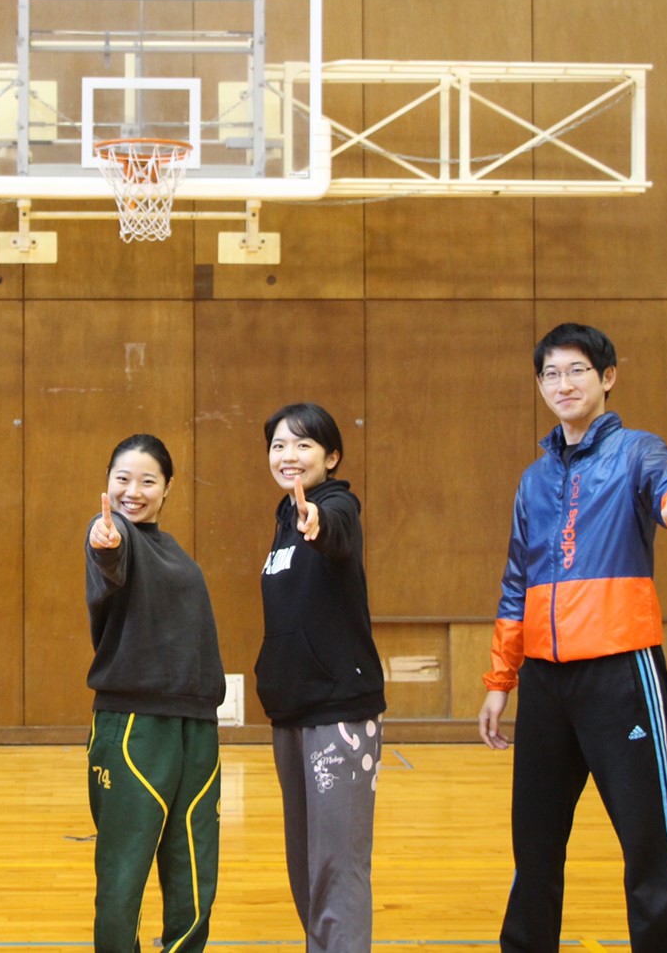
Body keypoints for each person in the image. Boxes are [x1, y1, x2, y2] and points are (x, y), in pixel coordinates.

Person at [478, 323, 667, 953]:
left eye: (577, 370)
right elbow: (515, 586)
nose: (564, 384)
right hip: (548, 684)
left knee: (649, 842)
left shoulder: (639, 451)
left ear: (607, 377)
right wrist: (502, 680)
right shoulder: (533, 479)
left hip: (621, 674)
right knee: (535, 846)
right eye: (551, 373)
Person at [85, 433, 226, 953]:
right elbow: (110, 557)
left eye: (148, 480)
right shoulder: (110, 532)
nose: (133, 491)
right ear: (107, 485)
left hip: (196, 725)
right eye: (122, 479)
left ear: (167, 488)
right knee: (124, 874)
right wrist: (108, 544)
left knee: (193, 868)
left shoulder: (172, 549)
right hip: (133, 729)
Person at [255, 402, 386, 953]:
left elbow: (338, 530)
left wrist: (319, 521)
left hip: (340, 711)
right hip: (293, 709)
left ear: (331, 457)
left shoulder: (334, 505)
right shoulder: (284, 519)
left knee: (338, 867)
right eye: (279, 445)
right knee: (306, 864)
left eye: (303, 445)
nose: (289, 455)